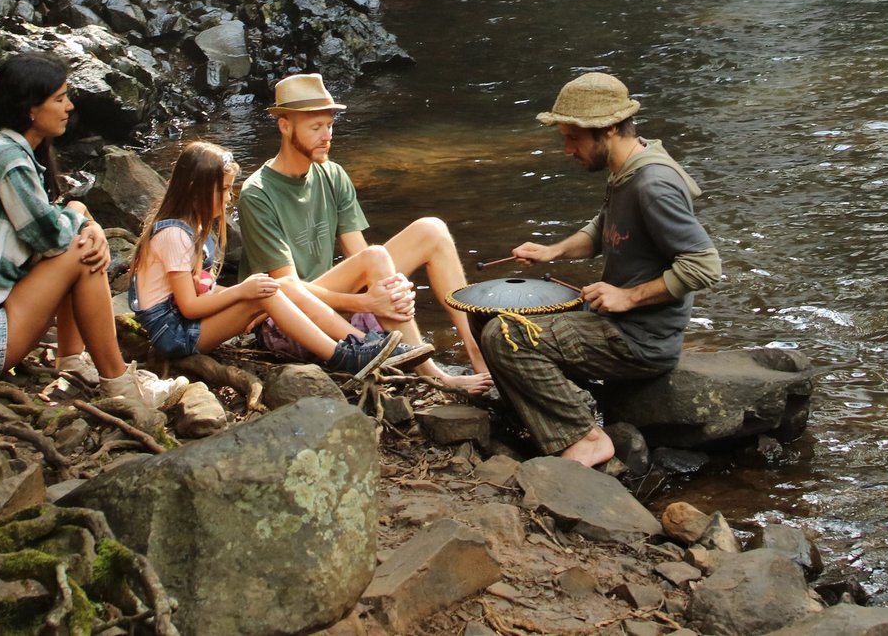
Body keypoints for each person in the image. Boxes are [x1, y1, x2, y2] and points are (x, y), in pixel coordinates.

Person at [0, 53, 188, 414]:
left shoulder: (1, 144)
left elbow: (43, 234)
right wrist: (81, 214)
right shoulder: (9, 158)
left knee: (79, 242)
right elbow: (51, 238)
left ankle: (74, 362)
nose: (69, 106)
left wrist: (84, 222)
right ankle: (121, 385)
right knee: (81, 253)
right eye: (59, 98)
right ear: (31, 108)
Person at [491, 71, 721, 467]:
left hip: (640, 341)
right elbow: (602, 227)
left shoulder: (653, 185)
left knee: (506, 335)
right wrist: (553, 251)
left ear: (609, 128)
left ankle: (586, 438)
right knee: (491, 312)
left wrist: (628, 296)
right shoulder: (626, 167)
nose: (567, 148)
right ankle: (542, 417)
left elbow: (704, 266)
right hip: (616, 324)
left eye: (572, 137)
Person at [237, 73, 493, 394]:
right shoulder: (257, 193)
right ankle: (432, 375)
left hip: (334, 302)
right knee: (375, 260)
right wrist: (366, 302)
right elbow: (287, 288)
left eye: (329, 125)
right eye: (315, 128)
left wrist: (390, 286)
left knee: (433, 230)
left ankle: (477, 352)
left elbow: (362, 257)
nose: (326, 136)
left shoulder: (332, 174)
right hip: (288, 320)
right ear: (285, 126)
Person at [129, 140, 397, 373]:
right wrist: (242, 292)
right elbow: (189, 307)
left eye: (230, 189)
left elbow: (203, 290)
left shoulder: (192, 228)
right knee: (265, 293)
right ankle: (342, 355)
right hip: (175, 335)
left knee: (275, 286)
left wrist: (244, 291)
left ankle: (361, 342)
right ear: (193, 189)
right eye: (222, 190)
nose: (228, 198)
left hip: (186, 326)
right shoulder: (174, 235)